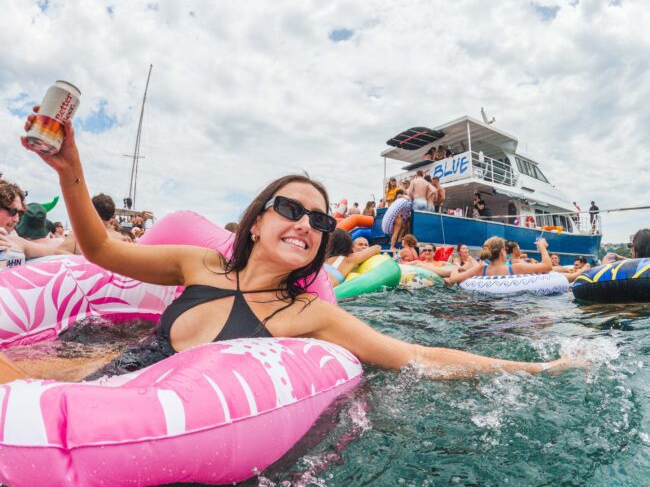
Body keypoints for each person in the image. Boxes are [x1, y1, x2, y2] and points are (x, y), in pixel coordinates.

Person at [0, 107, 583, 385]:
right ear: (256, 222)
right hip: (98, 380)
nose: (305, 223)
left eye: (318, 220)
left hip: (170, 437)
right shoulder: (197, 262)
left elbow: (415, 355)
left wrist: (535, 367)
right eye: (290, 209)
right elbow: (99, 250)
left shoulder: (310, 314)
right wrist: (69, 169)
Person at [0, 178, 67, 259]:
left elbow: (57, 253)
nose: (16, 219)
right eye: (13, 212)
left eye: (20, 213)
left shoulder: (17, 242)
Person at [446, 236, 552, 284]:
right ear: (502, 251)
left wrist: (456, 266)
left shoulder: (481, 269)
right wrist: (542, 246)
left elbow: (453, 279)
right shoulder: (516, 268)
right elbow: (547, 267)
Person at [58, 193, 126, 255]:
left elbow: (58, 256)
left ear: (90, 210)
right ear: (111, 216)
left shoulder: (78, 236)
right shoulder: (121, 238)